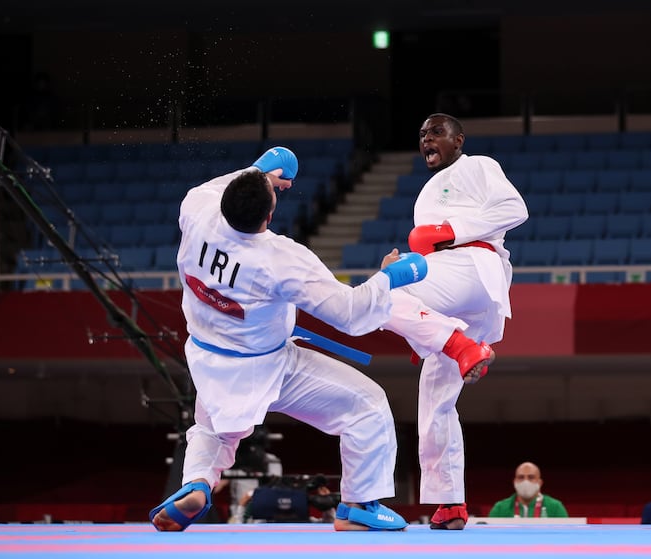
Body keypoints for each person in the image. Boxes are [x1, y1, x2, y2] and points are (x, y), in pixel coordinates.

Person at [149, 146, 496, 532]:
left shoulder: (198, 210)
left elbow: (217, 188)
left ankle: (195, 481)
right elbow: (351, 314)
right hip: (270, 364)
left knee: (213, 427)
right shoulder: (280, 258)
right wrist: (392, 278)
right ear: (269, 216)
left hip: (208, 358)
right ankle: (358, 506)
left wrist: (259, 170)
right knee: (366, 406)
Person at [399, 113, 529, 529]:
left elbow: (515, 208)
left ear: (459, 139)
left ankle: (458, 344)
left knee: (383, 292)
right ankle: (450, 503)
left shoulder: (478, 166)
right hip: (450, 288)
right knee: (435, 402)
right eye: (422, 135)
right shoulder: (424, 194)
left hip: (473, 267)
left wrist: (449, 230)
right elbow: (429, 249)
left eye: (436, 132)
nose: (427, 140)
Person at [488, 462, 568, 518]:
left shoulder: (555, 507)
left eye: (531, 477)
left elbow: (565, 538)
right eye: (521, 477)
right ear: (514, 482)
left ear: (540, 482)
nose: (525, 481)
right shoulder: (500, 508)